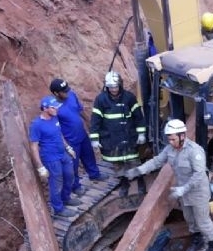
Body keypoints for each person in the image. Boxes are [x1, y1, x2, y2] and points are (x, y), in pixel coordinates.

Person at [125, 119, 213, 251]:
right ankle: (197, 239)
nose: (170, 142)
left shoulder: (194, 151)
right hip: (183, 192)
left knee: (202, 220)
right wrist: (139, 170)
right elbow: (157, 161)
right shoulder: (170, 150)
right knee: (189, 219)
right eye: (169, 139)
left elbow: (199, 175)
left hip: (197, 192)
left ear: (182, 136)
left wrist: (184, 189)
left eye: (173, 139)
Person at [89, 71, 147, 199]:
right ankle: (124, 183)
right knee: (118, 165)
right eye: (111, 87)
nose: (113, 90)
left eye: (115, 87)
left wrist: (141, 133)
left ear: (120, 85)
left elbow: (139, 117)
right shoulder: (101, 100)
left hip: (129, 138)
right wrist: (94, 138)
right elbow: (95, 121)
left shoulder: (129, 98)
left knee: (134, 161)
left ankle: (140, 182)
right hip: (111, 140)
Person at [50, 78, 108, 196]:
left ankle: (94, 174)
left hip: (82, 134)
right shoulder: (53, 107)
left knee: (89, 155)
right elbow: (55, 128)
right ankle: (75, 186)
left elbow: (81, 110)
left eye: (67, 90)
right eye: (63, 92)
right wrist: (65, 144)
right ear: (56, 93)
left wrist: (91, 126)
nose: (67, 93)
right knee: (73, 164)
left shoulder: (71, 95)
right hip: (70, 140)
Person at [29, 95, 81, 216]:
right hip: (51, 158)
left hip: (62, 153)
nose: (57, 110)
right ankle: (58, 208)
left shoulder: (54, 118)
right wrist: (40, 166)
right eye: (54, 108)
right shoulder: (36, 125)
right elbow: (33, 146)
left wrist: (67, 147)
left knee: (69, 175)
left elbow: (59, 134)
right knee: (56, 182)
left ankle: (66, 198)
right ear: (45, 108)